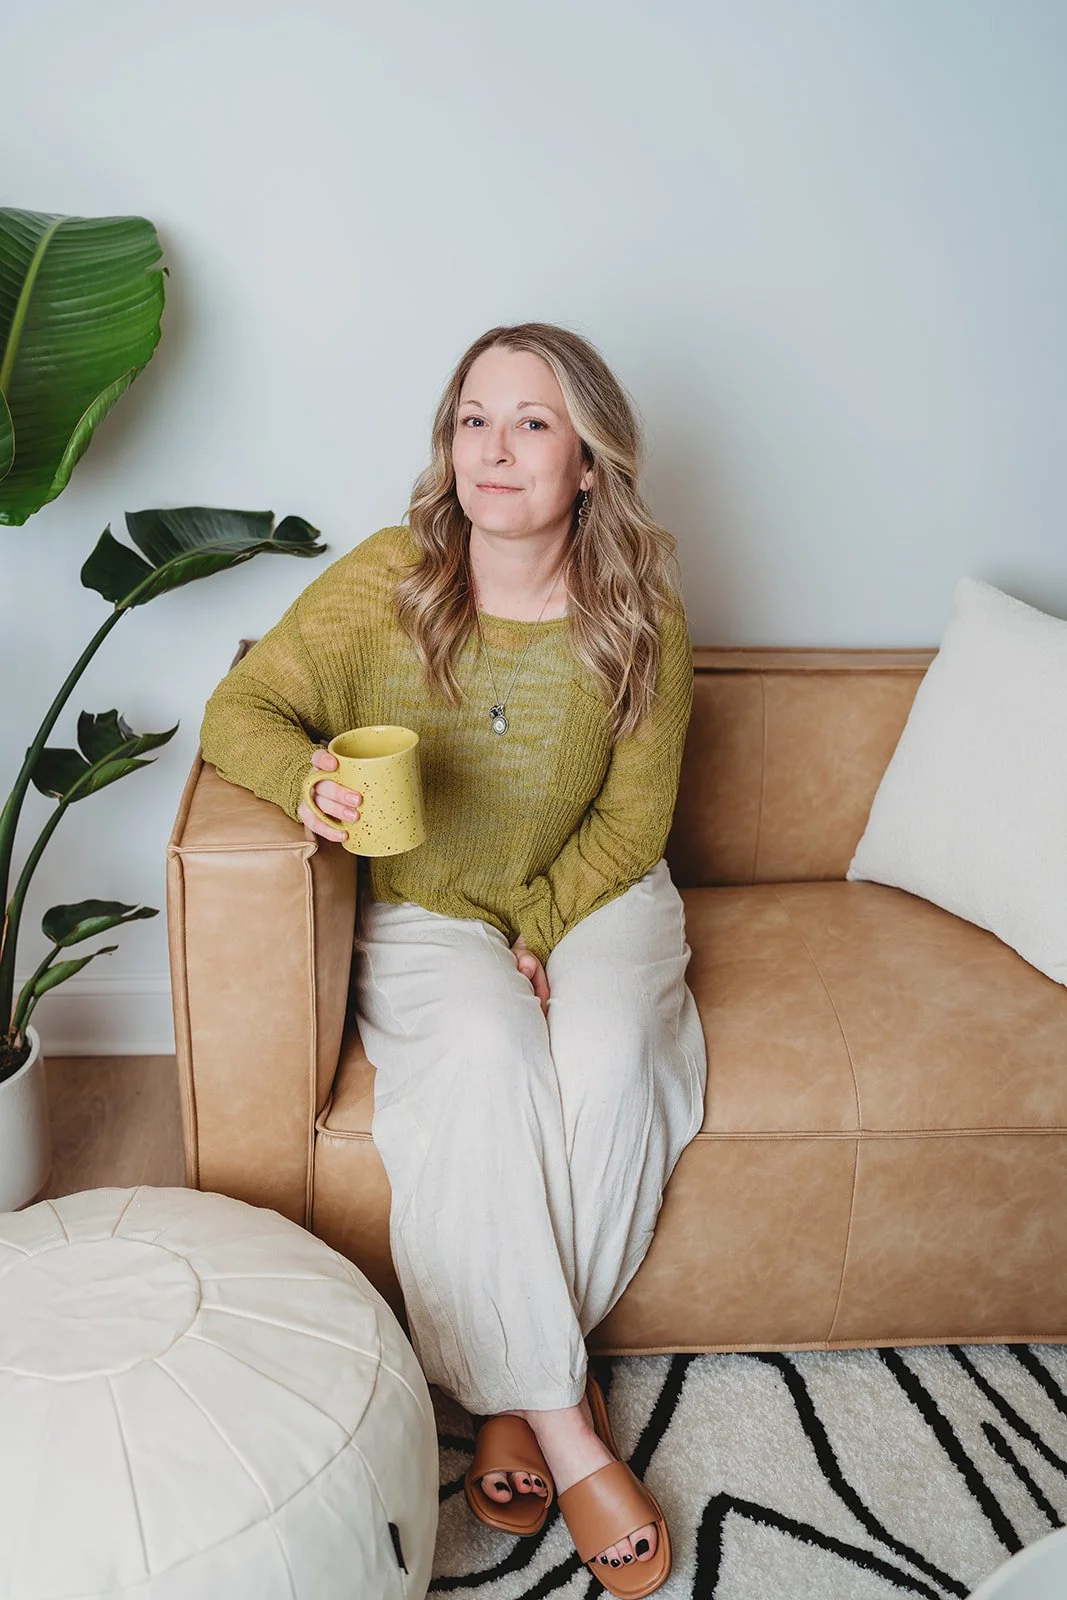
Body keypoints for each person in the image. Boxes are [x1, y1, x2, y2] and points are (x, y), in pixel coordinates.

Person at [199, 321, 707, 1597]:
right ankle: (565, 1420)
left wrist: (540, 923)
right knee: (481, 1054)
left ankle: (502, 1393)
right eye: (474, 417)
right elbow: (238, 709)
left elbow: (633, 822)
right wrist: (306, 782)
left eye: (532, 422)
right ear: (448, 443)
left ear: (587, 462)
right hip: (427, 900)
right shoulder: (387, 579)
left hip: (596, 892)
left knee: (608, 1055)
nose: (496, 448)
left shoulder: (639, 612)